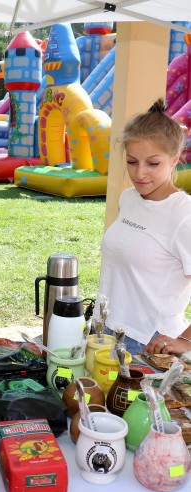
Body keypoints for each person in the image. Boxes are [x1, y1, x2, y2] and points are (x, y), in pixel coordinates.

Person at [94, 98, 191, 356]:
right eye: (132, 161)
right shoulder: (128, 198)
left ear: (174, 159)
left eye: (153, 163)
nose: (140, 174)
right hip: (104, 332)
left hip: (150, 344)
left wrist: (186, 341)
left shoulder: (184, 214)